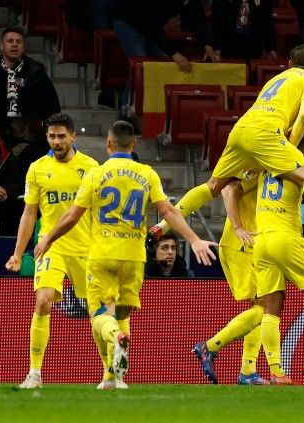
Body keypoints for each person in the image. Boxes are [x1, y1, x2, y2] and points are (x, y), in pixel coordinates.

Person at [33, 120, 217, 387]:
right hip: (134, 257)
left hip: (102, 254)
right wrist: (194, 239)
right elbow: (168, 212)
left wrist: (49, 237)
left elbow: (73, 215)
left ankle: (115, 340)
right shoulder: (148, 174)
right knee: (122, 314)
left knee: (100, 316)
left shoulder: (95, 174)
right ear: (133, 145)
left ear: (108, 144)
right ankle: (113, 377)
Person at [148, 44, 304, 251]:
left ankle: (162, 225)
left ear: (289, 64)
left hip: (241, 129)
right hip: (266, 134)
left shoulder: (274, 80)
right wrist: (290, 145)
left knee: (212, 186)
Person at [192, 136, 304, 386]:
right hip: (240, 243)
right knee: (265, 307)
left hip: (257, 243)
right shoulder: (260, 164)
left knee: (263, 307)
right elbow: (228, 189)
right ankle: (209, 347)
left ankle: (247, 370)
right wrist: (239, 227)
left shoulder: (282, 170)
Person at [4, 113, 100, 389]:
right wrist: (17, 252)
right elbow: (29, 213)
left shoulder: (91, 167)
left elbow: (99, 210)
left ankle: (110, 375)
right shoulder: (36, 168)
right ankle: (34, 373)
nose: (56, 141)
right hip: (51, 246)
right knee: (43, 301)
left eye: (61, 136)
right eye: (51, 136)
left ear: (73, 136)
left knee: (98, 313)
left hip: (86, 247)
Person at [252, 138, 304, 385]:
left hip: (261, 241)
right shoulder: (301, 169)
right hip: (285, 238)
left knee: (271, 307)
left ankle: (277, 372)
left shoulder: (263, 164)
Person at [0, 27, 61, 173]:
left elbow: (53, 110)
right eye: (10, 41)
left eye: (19, 41)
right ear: (1, 45)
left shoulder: (36, 74)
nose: (14, 44)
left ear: (23, 46)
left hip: (28, 141)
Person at [210, 0, 278, 60]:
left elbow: (268, 24)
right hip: (228, 44)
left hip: (253, 46)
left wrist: (271, 49)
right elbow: (217, 22)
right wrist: (217, 48)